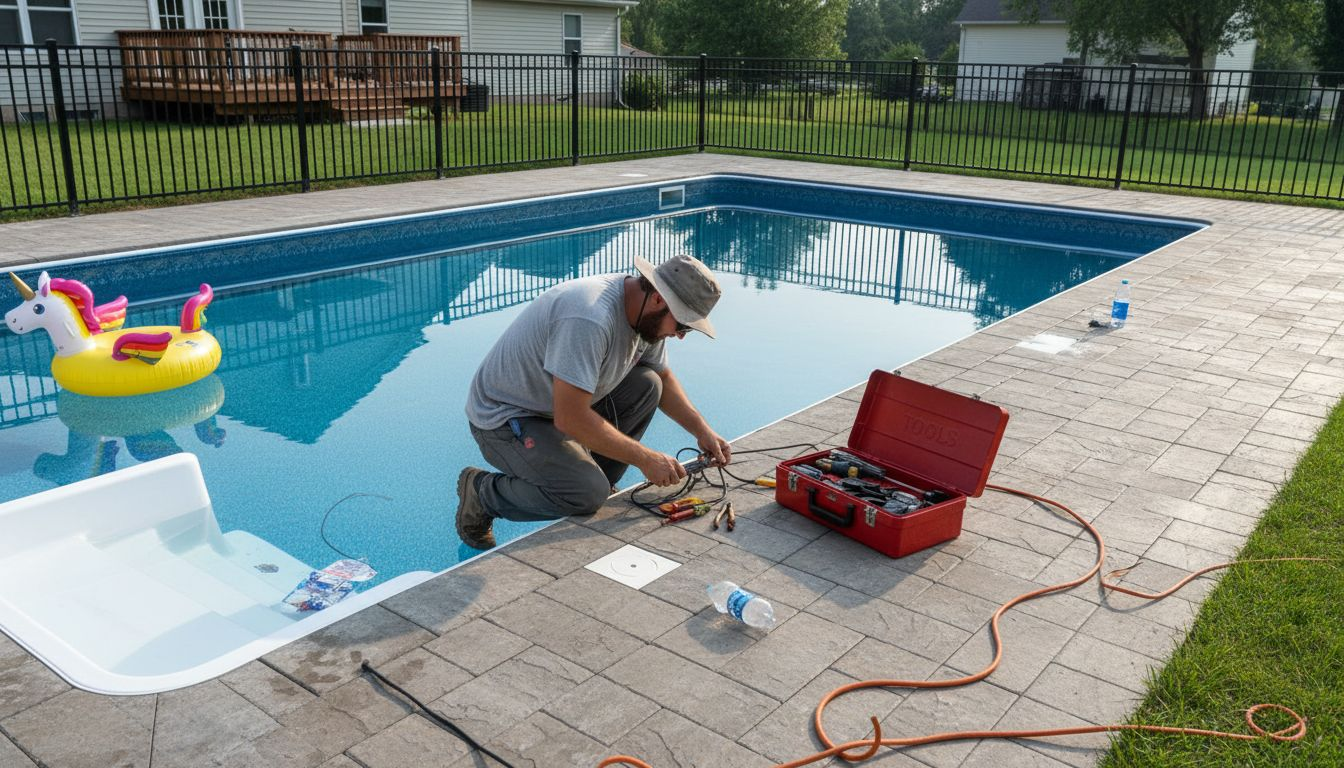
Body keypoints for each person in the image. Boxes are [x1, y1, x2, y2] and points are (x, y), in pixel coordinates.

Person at [456, 254, 732, 550]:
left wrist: (702, 431)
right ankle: (482, 493)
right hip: (508, 417)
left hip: (558, 407)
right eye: (682, 325)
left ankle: (585, 476)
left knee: (647, 383)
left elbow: (662, 378)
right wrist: (646, 459)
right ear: (658, 300)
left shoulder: (645, 316)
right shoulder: (590, 317)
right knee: (586, 494)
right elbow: (570, 418)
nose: (680, 336)